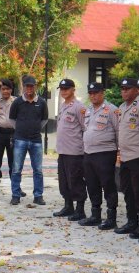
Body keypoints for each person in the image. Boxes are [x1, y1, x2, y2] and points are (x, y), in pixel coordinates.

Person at [79, 82, 120, 229]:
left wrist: (119, 152)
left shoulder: (112, 110)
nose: (93, 95)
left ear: (103, 93)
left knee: (108, 185)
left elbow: (119, 132)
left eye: (96, 93)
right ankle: (95, 215)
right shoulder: (88, 110)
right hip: (89, 153)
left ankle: (111, 217)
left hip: (105, 153)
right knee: (92, 184)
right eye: (90, 93)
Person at [115, 77, 139, 237]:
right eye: (122, 89)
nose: (124, 91)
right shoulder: (121, 108)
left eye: (127, 89)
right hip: (125, 157)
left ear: (136, 90)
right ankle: (132, 222)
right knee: (127, 191)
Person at [9, 75, 48, 205]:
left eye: (32, 86)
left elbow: (44, 120)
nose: (29, 88)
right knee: (16, 169)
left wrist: (35, 129)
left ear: (35, 87)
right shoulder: (17, 102)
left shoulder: (42, 102)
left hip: (36, 140)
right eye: (27, 86)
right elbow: (12, 119)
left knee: (38, 170)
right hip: (20, 140)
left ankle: (38, 196)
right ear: (24, 87)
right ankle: (15, 195)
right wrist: (20, 129)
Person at [53, 78, 88, 221]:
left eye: (66, 89)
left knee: (76, 181)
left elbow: (85, 128)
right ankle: (68, 206)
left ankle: (80, 210)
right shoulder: (62, 105)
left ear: (73, 90)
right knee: (64, 181)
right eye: (61, 89)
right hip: (62, 150)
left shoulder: (79, 107)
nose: (63, 91)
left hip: (74, 150)